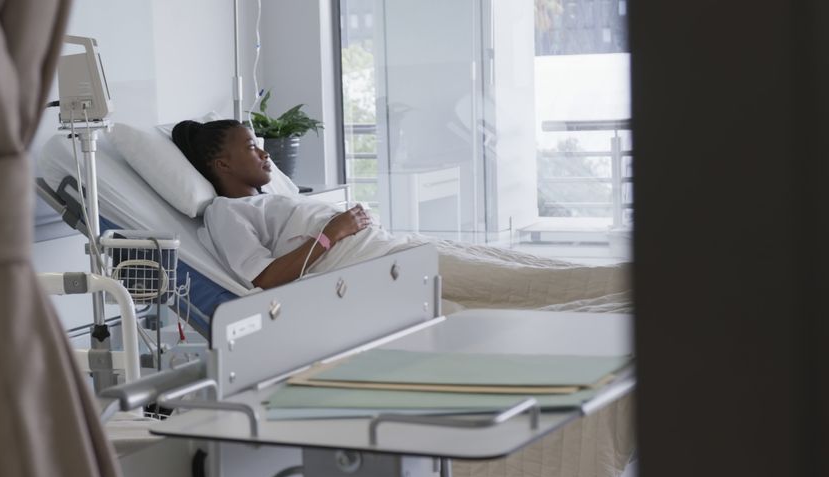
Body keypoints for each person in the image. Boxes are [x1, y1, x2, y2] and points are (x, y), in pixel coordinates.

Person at [172, 119, 630, 312]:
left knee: (516, 272)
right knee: (512, 287)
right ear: (222, 164)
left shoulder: (269, 195)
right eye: (251, 146)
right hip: (368, 266)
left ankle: (628, 292)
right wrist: (332, 233)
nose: (264, 151)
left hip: (389, 250)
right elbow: (263, 280)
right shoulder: (224, 213)